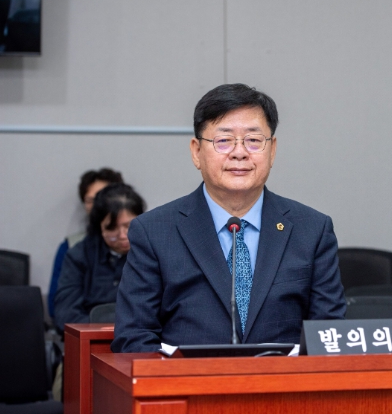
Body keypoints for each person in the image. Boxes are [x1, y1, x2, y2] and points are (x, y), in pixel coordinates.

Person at [112, 83, 345, 353]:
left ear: (272, 151)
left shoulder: (312, 230)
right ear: (196, 152)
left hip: (283, 380)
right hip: (189, 380)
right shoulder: (154, 232)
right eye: (223, 141)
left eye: (253, 140)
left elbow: (330, 336)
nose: (239, 152)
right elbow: (134, 337)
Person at [54, 183, 145, 332]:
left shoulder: (153, 254)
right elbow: (65, 314)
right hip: (92, 337)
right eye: (112, 228)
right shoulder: (79, 255)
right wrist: (103, 330)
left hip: (142, 337)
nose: (123, 235)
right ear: (99, 227)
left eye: (129, 226)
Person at [48, 168, 123, 320]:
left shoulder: (142, 248)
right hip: (87, 327)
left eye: (104, 197)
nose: (97, 205)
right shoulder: (73, 248)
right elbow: (60, 308)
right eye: (90, 200)